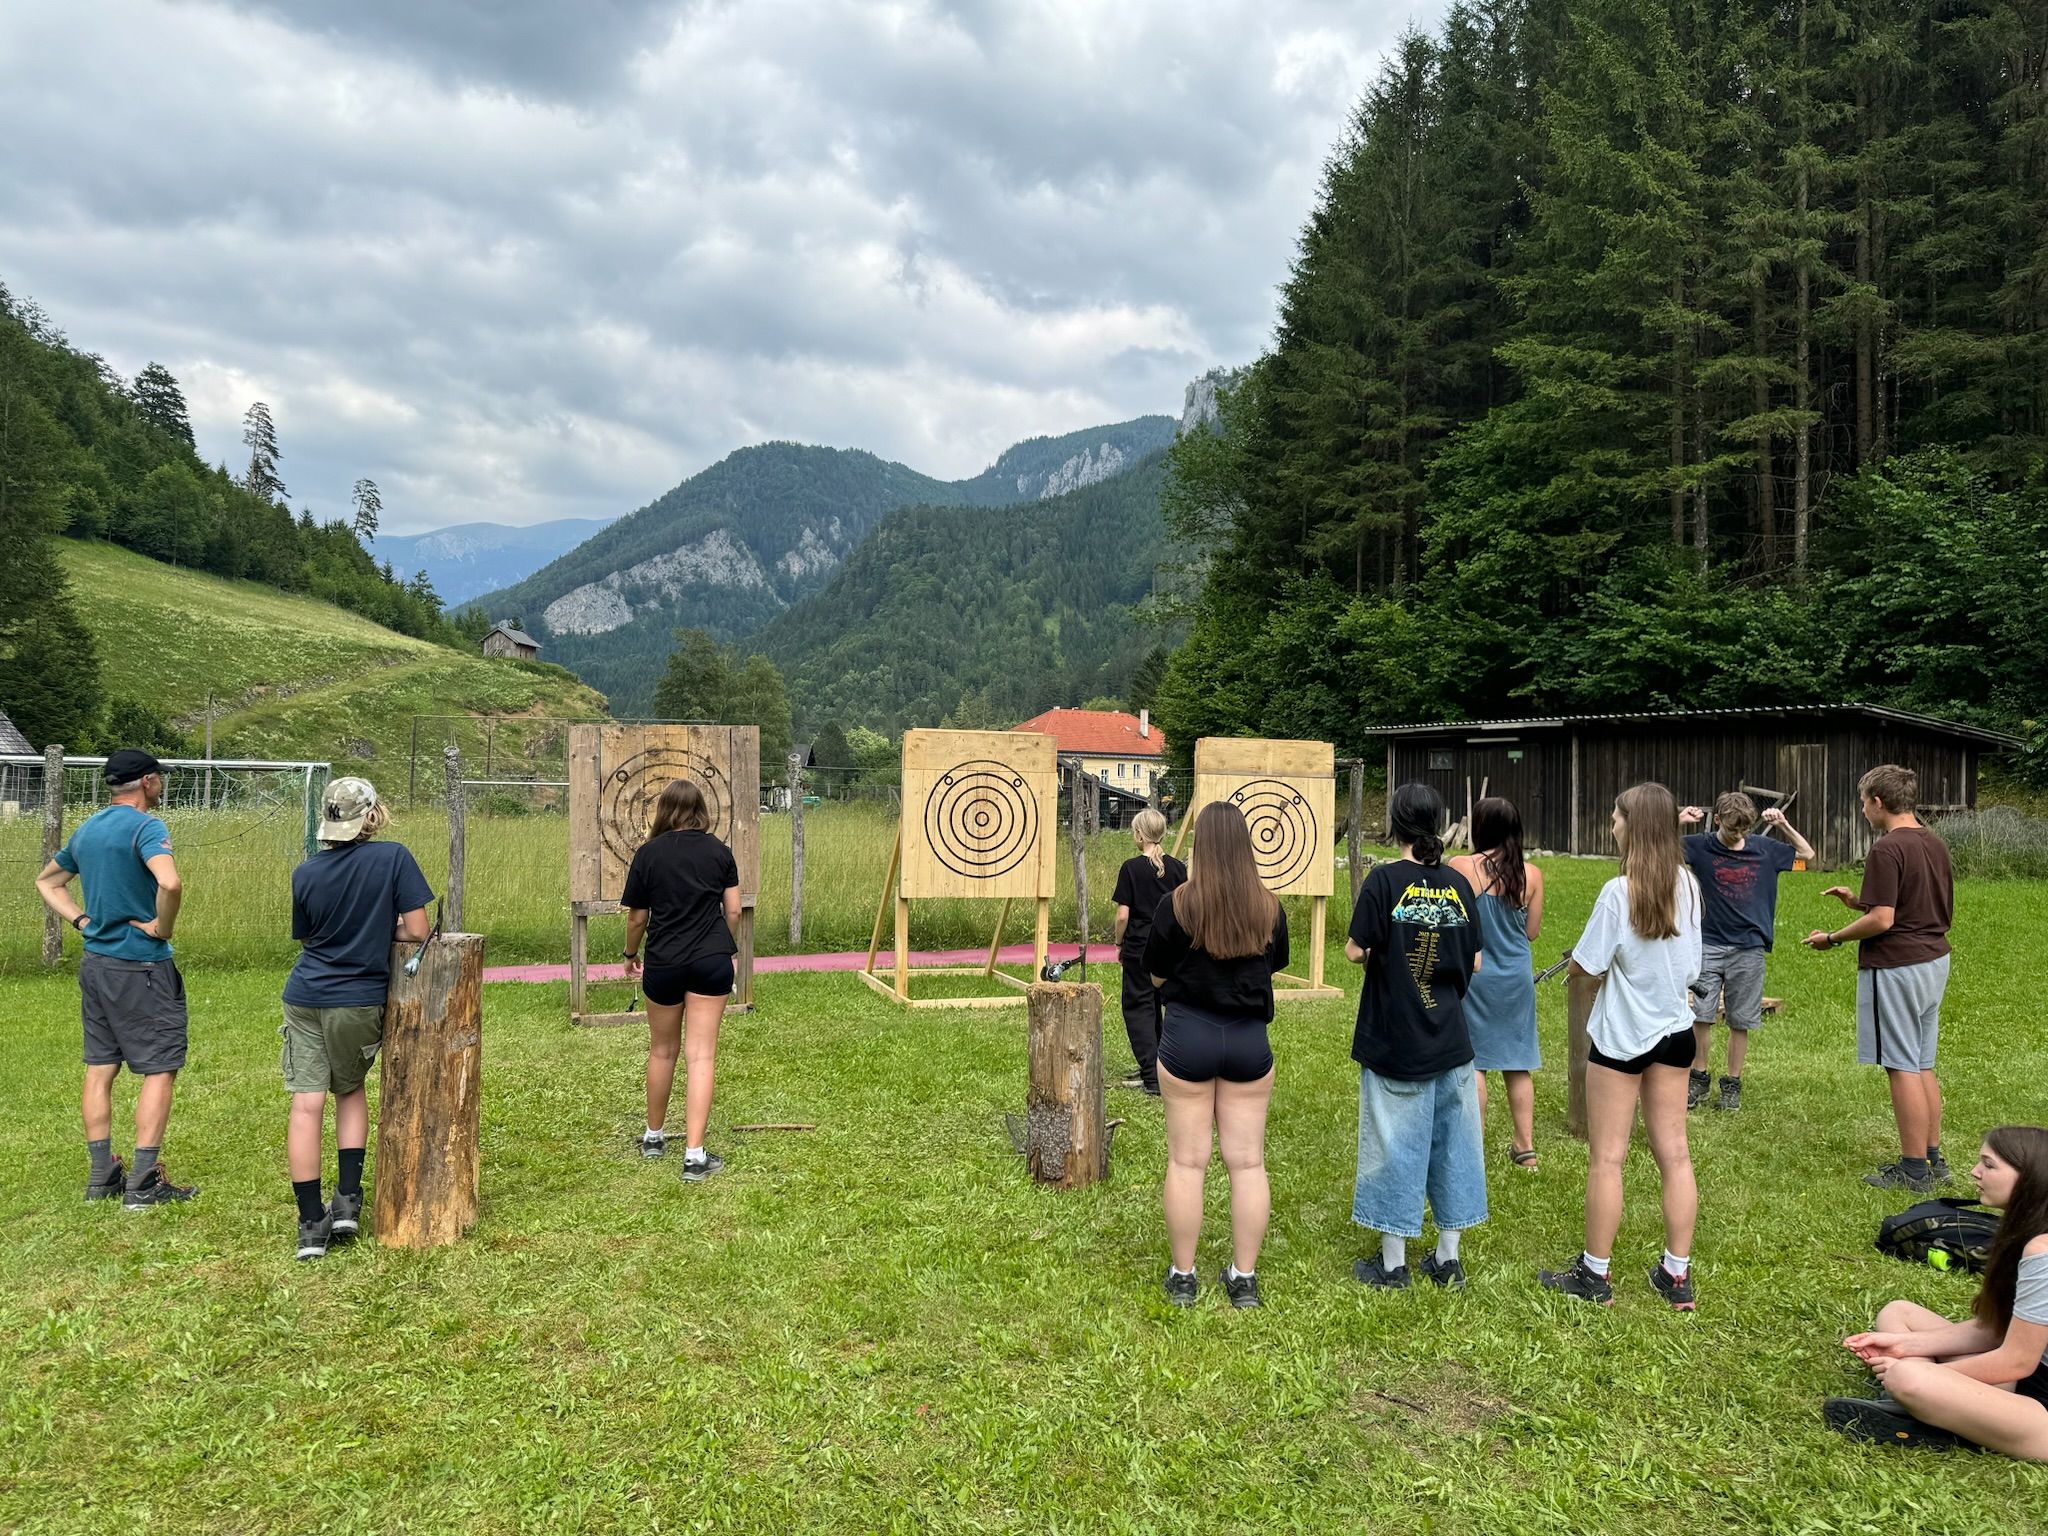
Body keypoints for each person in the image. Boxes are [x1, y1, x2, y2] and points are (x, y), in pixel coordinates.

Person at [1539, 782, 1702, 1309]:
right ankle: (1677, 1276)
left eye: (1615, 816)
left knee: (1607, 1158)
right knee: (1675, 1155)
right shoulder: (1690, 885)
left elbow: (1586, 965)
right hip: (1676, 1033)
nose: (1611, 825)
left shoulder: (1618, 892)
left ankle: (1595, 1275)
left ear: (1634, 825)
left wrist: (1604, 981)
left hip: (1620, 1039)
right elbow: (1694, 967)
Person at [35, 748, 196, 1209]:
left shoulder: (88, 829)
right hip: (141, 965)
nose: (161, 787)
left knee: (100, 1066)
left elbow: (47, 882)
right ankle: (143, 1182)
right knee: (161, 1066)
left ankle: (102, 1175)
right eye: (159, 780)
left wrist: (82, 922)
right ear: (147, 782)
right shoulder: (147, 827)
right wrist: (162, 929)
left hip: (96, 964)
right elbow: (169, 883)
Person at [1826, 1125, 2048, 1459]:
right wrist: (1905, 1345)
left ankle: (1922, 1407)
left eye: (1989, 1165)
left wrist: (1926, 1373)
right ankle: (1937, 1413)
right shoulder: (2024, 1233)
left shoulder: (2042, 1251)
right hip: (2021, 1383)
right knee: (1898, 1313)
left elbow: (2016, 1360)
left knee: (1908, 1377)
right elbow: (1993, 1329)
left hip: (2038, 1414)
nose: (1975, 1172)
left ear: (2029, 1178)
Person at [1142, 800, 1287, 1309]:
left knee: (1187, 1161)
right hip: (1249, 1040)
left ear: (1201, 846)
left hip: (1188, 1036)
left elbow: (1155, 974)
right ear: (1247, 845)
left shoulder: (1176, 904)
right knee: (1247, 1164)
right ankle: (1243, 1279)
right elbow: (1272, 966)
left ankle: (1184, 1276)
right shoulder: (1269, 906)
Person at [281, 777, 433, 1260]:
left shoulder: (306, 872)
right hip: (357, 998)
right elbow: (417, 930)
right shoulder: (393, 858)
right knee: (348, 1090)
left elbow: (309, 937)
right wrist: (378, 923)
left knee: (306, 1104)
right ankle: (347, 1201)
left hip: (303, 994)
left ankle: (310, 1224)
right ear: (370, 816)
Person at [1348, 782, 1486, 1290]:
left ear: (1397, 825)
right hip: (1451, 1036)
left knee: (1394, 1143)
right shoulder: (1458, 884)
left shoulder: (1383, 882)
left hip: (1395, 1037)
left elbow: (1353, 950)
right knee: (1453, 1145)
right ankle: (1447, 1261)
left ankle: (1393, 1264)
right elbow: (1474, 959)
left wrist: (1382, 955)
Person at [1801, 764, 1955, 1192]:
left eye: (1863, 803)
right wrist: (1858, 903)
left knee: (1901, 1065)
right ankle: (1932, 1158)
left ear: (1878, 802)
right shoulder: (1933, 842)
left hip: (1898, 966)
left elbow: (1884, 920)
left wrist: (1831, 937)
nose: (1863, 811)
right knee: (1921, 1062)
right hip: (1932, 961)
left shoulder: (1887, 849)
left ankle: (1912, 1169)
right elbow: (1906, 905)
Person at [621, 778, 741, 1182]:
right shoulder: (720, 851)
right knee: (701, 1055)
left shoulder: (648, 854)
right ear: (701, 810)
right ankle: (694, 1156)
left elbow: (637, 917)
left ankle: (654, 1138)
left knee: (662, 1050)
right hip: (711, 959)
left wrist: (630, 954)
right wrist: (727, 946)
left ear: (664, 811)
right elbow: (735, 911)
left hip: (664, 961)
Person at [1678, 793, 1814, 1113]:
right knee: (1702, 1014)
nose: (1736, 836)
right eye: (1730, 830)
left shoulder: (1766, 850)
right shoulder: (1700, 846)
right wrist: (1677, 821)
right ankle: (1698, 1078)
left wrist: (1783, 824)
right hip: (1708, 943)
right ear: (1717, 821)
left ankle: (1732, 1084)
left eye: (1742, 831)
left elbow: (1807, 854)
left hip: (1749, 947)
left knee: (1740, 1019)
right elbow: (1654, 849)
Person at [1450, 796, 1545, 1172]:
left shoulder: (1460, 866)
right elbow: (1533, 933)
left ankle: (1473, 1146)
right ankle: (1525, 1150)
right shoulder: (1532, 874)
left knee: (1474, 1062)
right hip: (1516, 978)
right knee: (1517, 1063)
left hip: (1475, 975)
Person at [1110, 808, 1186, 1096]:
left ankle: (1152, 1078)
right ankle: (1164, 1067)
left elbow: (1122, 916)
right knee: (1160, 1005)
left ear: (1140, 835)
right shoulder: (1178, 868)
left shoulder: (1131, 868)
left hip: (1140, 946)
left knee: (1138, 1008)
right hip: (1173, 947)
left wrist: (1119, 944)